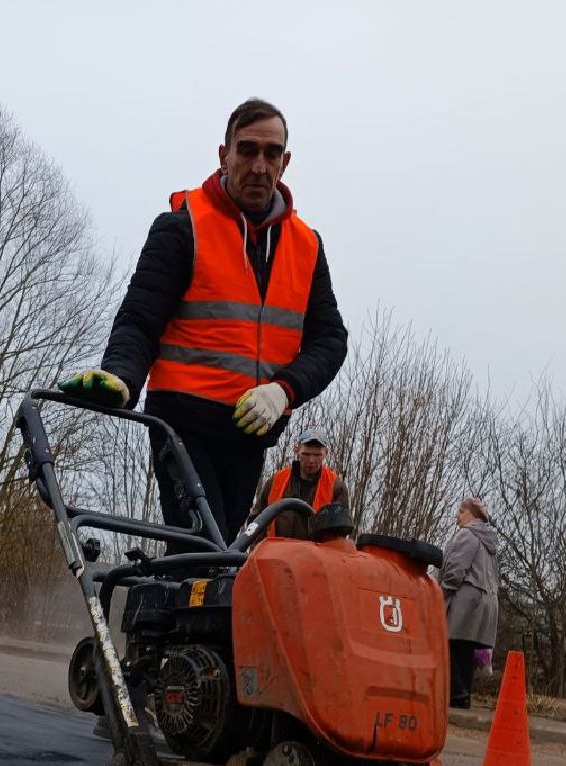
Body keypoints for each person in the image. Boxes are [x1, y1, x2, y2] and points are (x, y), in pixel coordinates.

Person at [57, 97, 348, 542]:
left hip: (252, 431)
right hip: (182, 425)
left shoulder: (306, 246)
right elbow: (140, 318)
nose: (258, 165)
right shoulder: (181, 227)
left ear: (285, 163)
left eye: (271, 154)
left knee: (221, 556)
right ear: (224, 155)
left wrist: (283, 389)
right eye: (247, 150)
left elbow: (330, 340)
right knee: (200, 547)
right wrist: (122, 376)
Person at [440, 497, 500, 709]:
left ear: (472, 515)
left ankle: (456, 695)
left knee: (451, 647)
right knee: (465, 651)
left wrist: (443, 591)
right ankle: (463, 696)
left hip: (466, 600)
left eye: (461, 511)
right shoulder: (488, 542)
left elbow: (455, 570)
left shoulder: (467, 535)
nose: (458, 515)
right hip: (485, 601)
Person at [250, 430, 349, 539]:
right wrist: (257, 550)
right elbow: (256, 522)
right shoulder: (276, 480)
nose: (311, 460)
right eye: (306, 454)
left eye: (317, 455)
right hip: (274, 551)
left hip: (314, 554)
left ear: (326, 453)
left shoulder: (336, 486)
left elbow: (340, 533)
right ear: (296, 450)